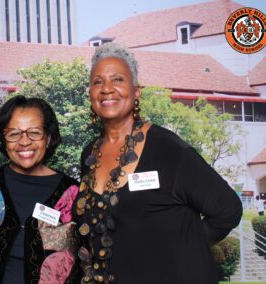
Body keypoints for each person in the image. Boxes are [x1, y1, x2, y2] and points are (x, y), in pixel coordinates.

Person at [73, 42, 243, 284]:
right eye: (98, 82)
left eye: (118, 79)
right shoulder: (89, 153)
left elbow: (228, 209)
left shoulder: (168, 148)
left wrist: (183, 250)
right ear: (90, 92)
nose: (107, 89)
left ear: (136, 91)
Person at [0, 95, 80, 284]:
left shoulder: (71, 192)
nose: (24, 142)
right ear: (3, 139)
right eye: (14, 133)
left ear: (48, 137)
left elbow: (78, 262)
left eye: (34, 132)